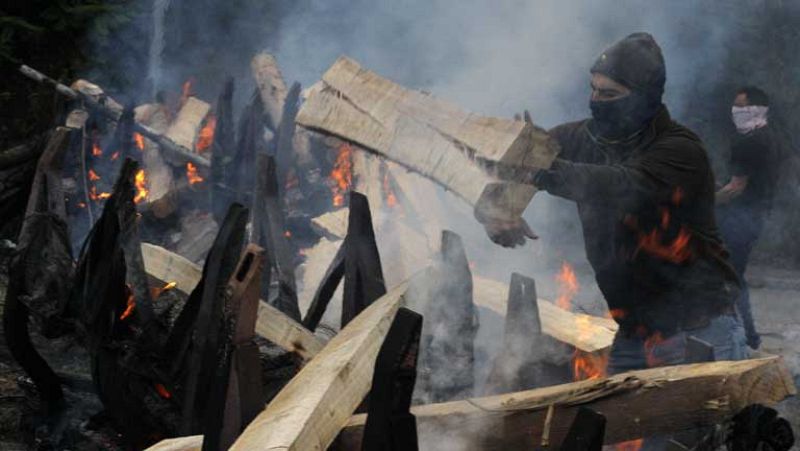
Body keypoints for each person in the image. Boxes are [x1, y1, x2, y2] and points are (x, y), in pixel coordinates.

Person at [478, 32, 748, 374]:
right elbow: (503, 172)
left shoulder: (680, 150)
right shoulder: (578, 137)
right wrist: (495, 211)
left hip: (697, 335)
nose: (596, 100)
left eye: (609, 94)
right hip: (633, 335)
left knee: (694, 412)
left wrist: (540, 171)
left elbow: (619, 185)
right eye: (593, 90)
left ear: (644, 97)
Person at [716, 86, 778, 350]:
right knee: (733, 275)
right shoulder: (768, 137)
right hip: (756, 215)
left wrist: (705, 201)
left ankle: (742, 336)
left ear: (758, 108)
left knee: (730, 276)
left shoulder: (748, 142)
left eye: (742, 106)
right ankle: (745, 335)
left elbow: (736, 188)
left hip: (739, 218)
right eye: (735, 106)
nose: (736, 111)